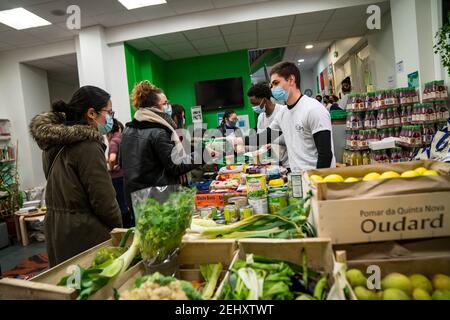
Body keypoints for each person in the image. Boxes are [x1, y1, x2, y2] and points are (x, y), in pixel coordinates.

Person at [29, 86, 122, 267]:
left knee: (68, 282)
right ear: (91, 113)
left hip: (56, 226)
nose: (111, 117)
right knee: (92, 284)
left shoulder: (52, 143)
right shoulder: (88, 146)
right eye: (109, 112)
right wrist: (118, 227)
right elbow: (103, 199)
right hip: (84, 229)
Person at [238, 62, 335, 172]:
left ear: (291, 80)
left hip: (316, 177)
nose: (272, 89)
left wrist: (316, 181)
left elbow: (325, 155)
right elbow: (264, 137)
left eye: (276, 83)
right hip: (297, 177)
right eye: (271, 85)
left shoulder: (313, 109)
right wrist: (237, 140)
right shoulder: (283, 113)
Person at [121, 81, 200, 212]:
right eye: (165, 103)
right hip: (159, 199)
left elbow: (123, 163)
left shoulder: (128, 130)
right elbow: (176, 165)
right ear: (154, 107)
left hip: (137, 198)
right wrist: (203, 155)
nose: (169, 107)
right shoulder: (159, 132)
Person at [247, 83, 289, 168]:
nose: (253, 107)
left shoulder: (283, 112)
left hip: (286, 164)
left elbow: (291, 139)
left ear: (264, 100)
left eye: (255, 103)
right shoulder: (261, 117)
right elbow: (260, 139)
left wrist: (272, 143)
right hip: (268, 165)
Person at [107, 119, 133, 228]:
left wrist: (110, 167)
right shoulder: (125, 138)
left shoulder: (113, 141)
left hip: (117, 178)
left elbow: (112, 158)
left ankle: (126, 228)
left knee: (122, 205)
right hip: (128, 175)